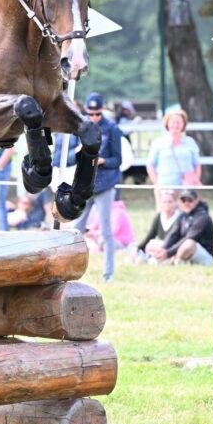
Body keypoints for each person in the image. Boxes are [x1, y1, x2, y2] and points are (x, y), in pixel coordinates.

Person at [73, 92, 123, 282]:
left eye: (97, 114)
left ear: (102, 111)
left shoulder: (113, 128)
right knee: (77, 228)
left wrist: (103, 161)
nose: (94, 117)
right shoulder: (81, 127)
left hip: (105, 183)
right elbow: (69, 157)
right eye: (91, 113)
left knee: (105, 230)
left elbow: (118, 160)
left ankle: (108, 273)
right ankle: (71, 267)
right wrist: (77, 153)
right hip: (85, 183)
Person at [151, 189, 213, 266]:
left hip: (205, 257)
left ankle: (174, 261)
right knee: (153, 243)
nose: (186, 203)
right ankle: (162, 259)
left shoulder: (202, 217)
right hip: (184, 251)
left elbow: (189, 238)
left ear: (196, 201)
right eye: (183, 200)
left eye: (190, 200)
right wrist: (163, 249)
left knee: (189, 243)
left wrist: (168, 253)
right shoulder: (183, 215)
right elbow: (173, 235)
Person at [146, 109, 201, 189]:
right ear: (167, 123)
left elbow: (197, 164)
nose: (176, 125)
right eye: (173, 122)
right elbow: (150, 165)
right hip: (165, 188)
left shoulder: (190, 142)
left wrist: (194, 182)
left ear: (184, 124)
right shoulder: (158, 142)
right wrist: (157, 184)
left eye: (179, 122)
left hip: (186, 188)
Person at [134, 189, 181, 263]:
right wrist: (138, 248)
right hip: (159, 246)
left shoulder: (180, 218)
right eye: (164, 202)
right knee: (150, 245)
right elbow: (150, 235)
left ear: (175, 203)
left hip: (172, 248)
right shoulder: (159, 217)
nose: (167, 204)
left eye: (170, 202)